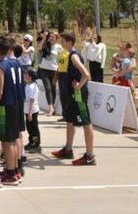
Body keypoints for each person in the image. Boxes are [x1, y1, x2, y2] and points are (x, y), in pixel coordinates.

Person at [51, 31, 96, 165]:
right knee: (70, 120)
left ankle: (89, 155)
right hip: (71, 95)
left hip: (78, 96)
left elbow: (86, 74)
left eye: (63, 41)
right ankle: (68, 149)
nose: (60, 43)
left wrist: (79, 86)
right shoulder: (67, 55)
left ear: (69, 42)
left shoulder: (74, 56)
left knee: (86, 123)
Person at [0, 37, 25, 185]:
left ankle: (11, 172)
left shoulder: (1, 65)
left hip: (6, 104)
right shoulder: (17, 63)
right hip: (17, 102)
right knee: (14, 138)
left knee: (7, 140)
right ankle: (15, 169)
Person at [38, 31, 61, 115]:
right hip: (44, 69)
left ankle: (53, 106)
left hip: (54, 70)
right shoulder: (45, 45)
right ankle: (50, 107)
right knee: (47, 88)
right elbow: (39, 47)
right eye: (50, 36)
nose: (51, 38)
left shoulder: (59, 47)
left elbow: (60, 58)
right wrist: (44, 37)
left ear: (56, 38)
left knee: (53, 89)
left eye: (53, 37)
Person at [23, 68, 41, 153]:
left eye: (26, 74)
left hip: (32, 111)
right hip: (27, 111)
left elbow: (32, 100)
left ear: (30, 77)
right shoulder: (27, 85)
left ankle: (37, 145)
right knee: (29, 127)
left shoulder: (33, 86)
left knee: (34, 128)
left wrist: (30, 113)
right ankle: (31, 142)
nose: (24, 76)